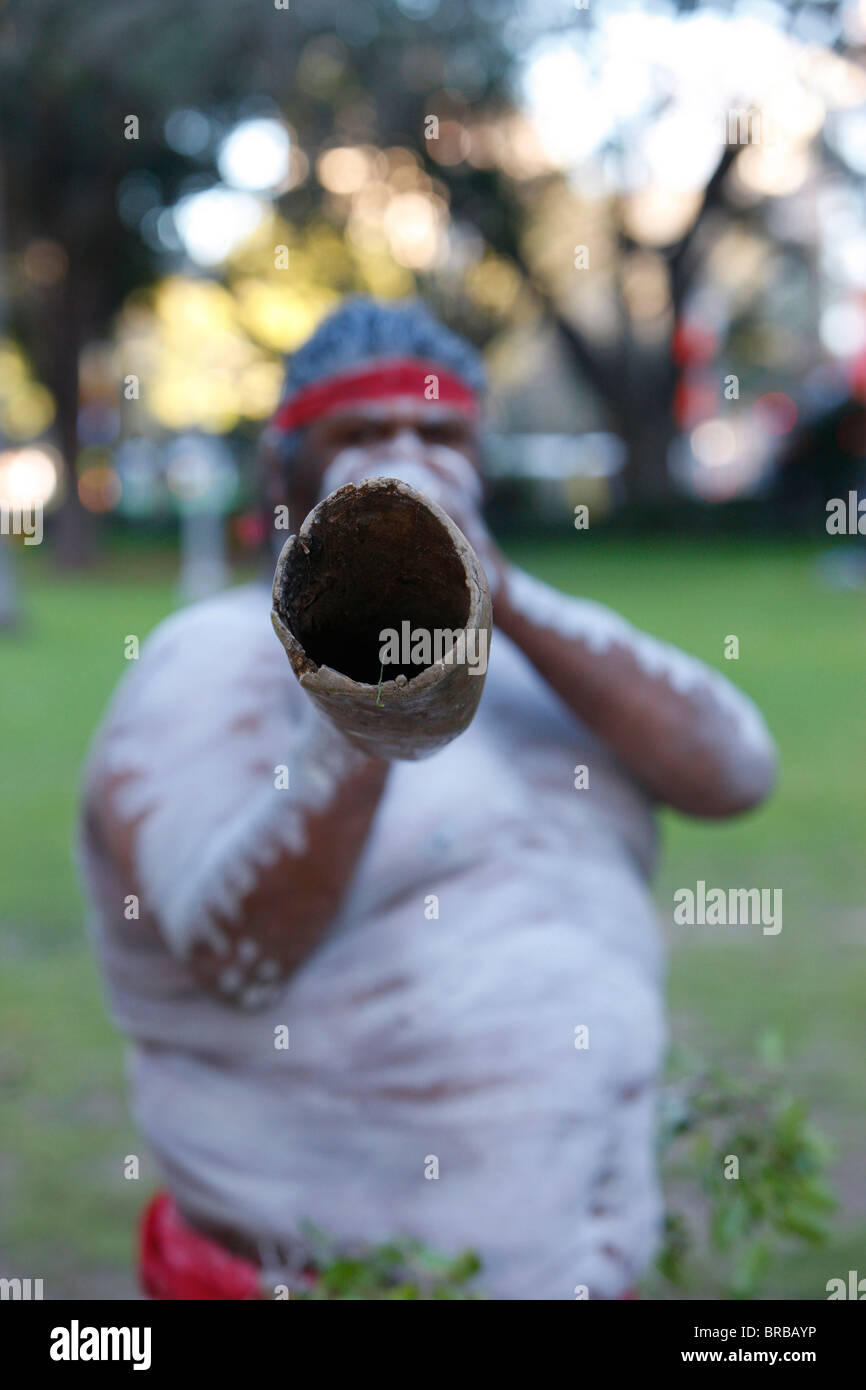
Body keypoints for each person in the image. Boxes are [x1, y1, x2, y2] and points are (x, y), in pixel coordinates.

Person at [77, 297, 777, 1301]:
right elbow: (237, 949)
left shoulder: (550, 655)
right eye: (359, 433)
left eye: (439, 434)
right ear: (286, 472)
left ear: (480, 465)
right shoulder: (207, 661)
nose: (406, 455)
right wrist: (370, 651)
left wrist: (498, 595)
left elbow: (735, 771)